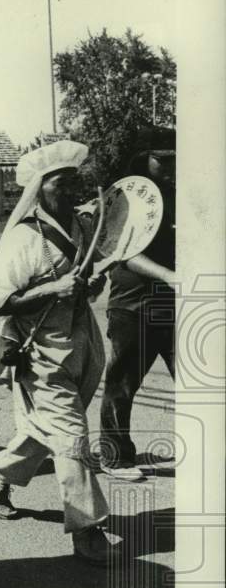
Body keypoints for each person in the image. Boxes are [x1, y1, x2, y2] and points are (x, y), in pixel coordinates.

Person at [0, 139, 114, 564]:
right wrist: (52, 288)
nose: (71, 191)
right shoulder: (24, 237)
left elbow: (91, 279)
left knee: (49, 432)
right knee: (72, 438)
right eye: (61, 183)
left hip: (82, 345)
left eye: (76, 182)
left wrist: (92, 286)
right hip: (39, 353)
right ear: (39, 187)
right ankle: (87, 528)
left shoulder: (82, 227)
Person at [99, 127, 177, 481]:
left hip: (171, 303)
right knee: (123, 383)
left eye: (177, 158)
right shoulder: (128, 196)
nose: (172, 166)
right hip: (132, 304)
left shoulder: (176, 194)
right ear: (145, 158)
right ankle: (114, 457)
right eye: (164, 159)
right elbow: (126, 252)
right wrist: (169, 275)